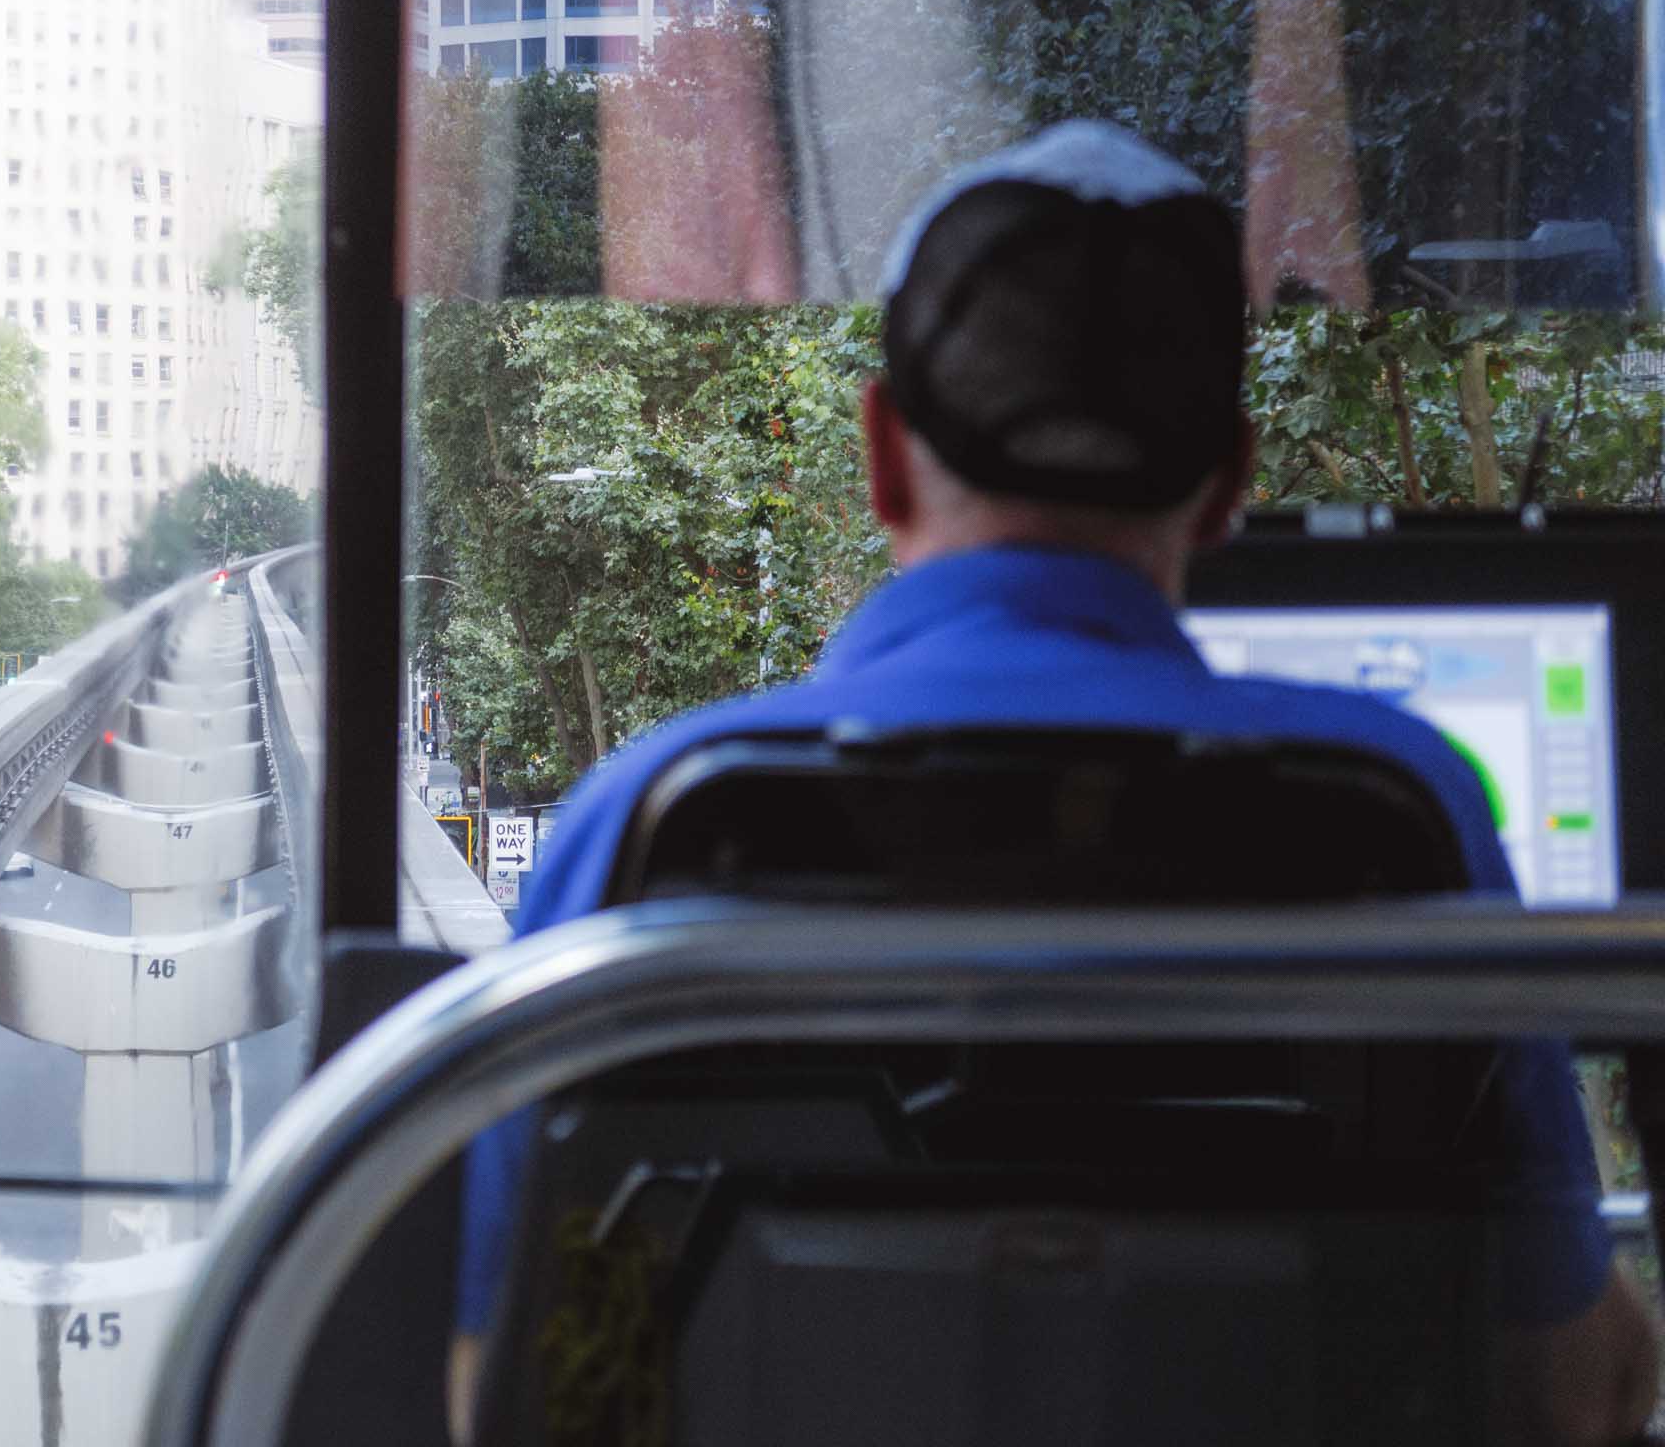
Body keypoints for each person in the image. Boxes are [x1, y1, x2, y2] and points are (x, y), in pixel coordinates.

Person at [450, 122, 1657, 1446]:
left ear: (883, 455)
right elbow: (1567, 1394)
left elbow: (495, 1386)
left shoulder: (654, 818)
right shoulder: (1397, 811)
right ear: (1228, 485)